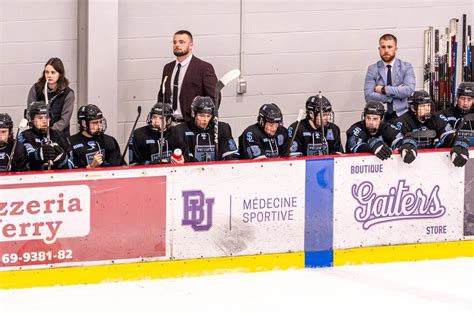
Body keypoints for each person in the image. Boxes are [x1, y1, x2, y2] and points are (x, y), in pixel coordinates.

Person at [157, 30, 218, 122]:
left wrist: (204, 120)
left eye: (181, 42)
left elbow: (214, 98)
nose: (177, 45)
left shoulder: (204, 68)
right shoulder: (168, 68)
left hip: (192, 125)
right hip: (170, 124)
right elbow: (162, 96)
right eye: (174, 42)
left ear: (190, 45)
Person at [396, 90, 469, 167]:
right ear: (413, 108)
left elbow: (448, 135)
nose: (427, 109)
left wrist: (460, 143)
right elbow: (395, 141)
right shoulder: (402, 121)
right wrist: (405, 144)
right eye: (423, 106)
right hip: (409, 163)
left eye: (428, 105)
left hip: (432, 161)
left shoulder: (436, 118)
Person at [168, 96, 238, 162]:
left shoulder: (223, 129)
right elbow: (184, 157)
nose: (205, 120)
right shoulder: (180, 131)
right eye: (201, 116)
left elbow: (232, 154)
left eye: (208, 116)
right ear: (193, 114)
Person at [364, 34, 416, 123]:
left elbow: (408, 90)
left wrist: (383, 89)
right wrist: (395, 95)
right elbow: (368, 96)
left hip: (403, 114)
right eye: (383, 47)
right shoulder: (372, 69)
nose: (386, 50)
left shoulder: (406, 67)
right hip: (379, 116)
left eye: (389, 47)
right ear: (379, 49)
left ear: (395, 49)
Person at [27, 57, 75, 136]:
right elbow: (30, 112)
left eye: (53, 72)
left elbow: (64, 121)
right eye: (47, 72)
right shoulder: (36, 89)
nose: (49, 75)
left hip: (59, 134)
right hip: (37, 133)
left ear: (60, 74)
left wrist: (49, 132)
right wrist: (39, 129)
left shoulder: (68, 94)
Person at [19, 101, 73, 170]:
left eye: (47, 117)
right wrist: (38, 155)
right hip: (34, 177)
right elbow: (24, 161)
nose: (44, 121)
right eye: (40, 118)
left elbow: (72, 165)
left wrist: (62, 159)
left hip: (58, 177)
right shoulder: (24, 135)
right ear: (32, 120)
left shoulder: (60, 136)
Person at [438, 82, 474, 146]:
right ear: (457, 98)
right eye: (462, 98)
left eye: (469, 99)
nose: (465, 103)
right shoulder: (445, 115)